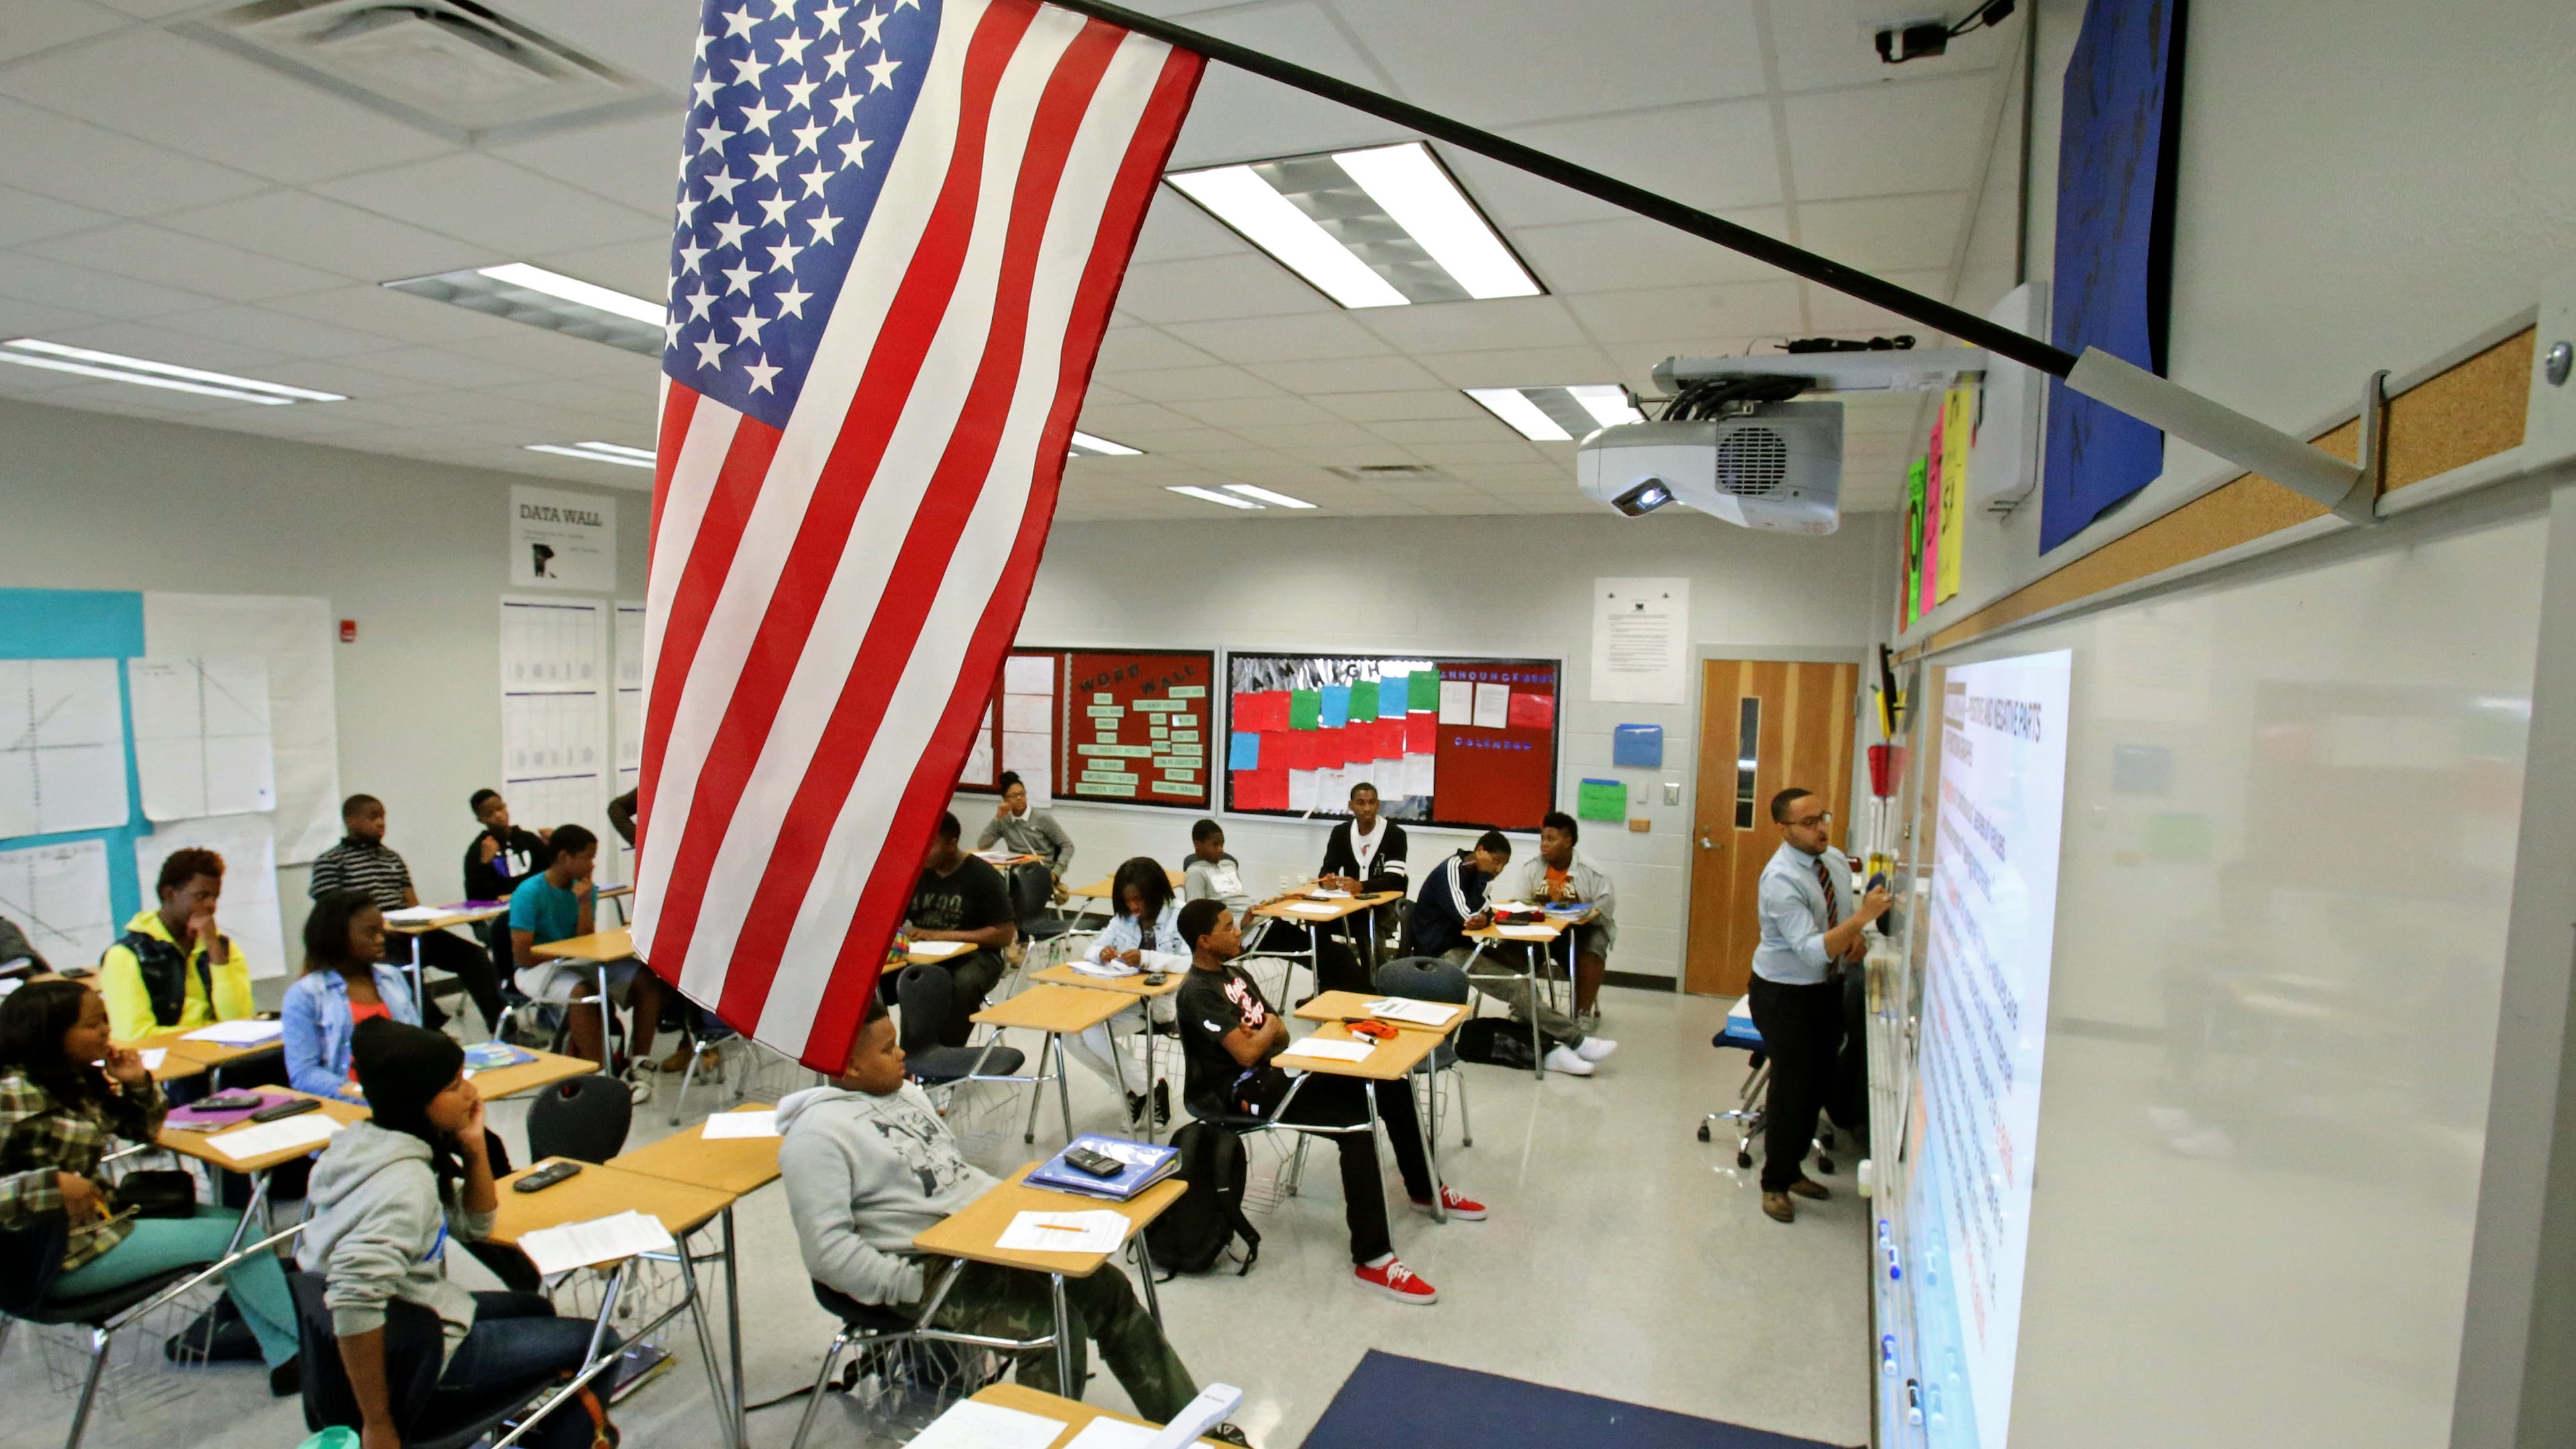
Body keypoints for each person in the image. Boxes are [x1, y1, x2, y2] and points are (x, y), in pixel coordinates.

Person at [777, 998, 1239, 1438]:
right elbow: (828, 1254)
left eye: (896, 1042)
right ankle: (1044, 1437)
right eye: (887, 1050)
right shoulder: (816, 1138)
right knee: (1052, 1326)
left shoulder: (906, 1097)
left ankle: (1191, 1428)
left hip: (988, 1235)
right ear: (849, 1066)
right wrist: (907, 1286)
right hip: (925, 1268)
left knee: (1108, 1291)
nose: (902, 1055)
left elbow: (954, 1174)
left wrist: (1020, 1201)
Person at [302, 1019, 605, 1441]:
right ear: (415, 1100)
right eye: (453, 1086)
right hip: (414, 1359)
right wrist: (378, 1423)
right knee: (601, 1344)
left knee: (531, 1308)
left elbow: (476, 1224)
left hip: (408, 1321)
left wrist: (475, 1145)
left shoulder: (374, 1141)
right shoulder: (404, 1185)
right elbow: (354, 1302)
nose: (471, 1092)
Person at [1171, 898, 1485, 1304]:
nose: (1238, 932)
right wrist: (1265, 1034)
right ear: (1204, 941)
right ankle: (1373, 1258)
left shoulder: (1235, 973)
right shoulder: (1197, 991)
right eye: (1229, 927)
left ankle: (1424, 1188)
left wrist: (1264, 1034)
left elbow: (1280, 1033)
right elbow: (1249, 1053)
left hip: (1274, 1074)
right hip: (1239, 1095)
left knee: (1389, 1084)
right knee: (1355, 1124)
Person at [0, 979, 301, 1391]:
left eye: (105, 1019)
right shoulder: (11, 1092)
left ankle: (293, 1358)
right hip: (49, 1257)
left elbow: (144, 1130)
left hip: (94, 1226)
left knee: (243, 1229)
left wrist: (136, 1082)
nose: (106, 1031)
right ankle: (316, 1352)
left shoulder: (71, 1079)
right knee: (238, 1236)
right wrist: (49, 1186)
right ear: (50, 1034)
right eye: (92, 1024)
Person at [1749, 787, 1890, 1224]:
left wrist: (1857, 940)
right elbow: (1812, 951)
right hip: (1785, 994)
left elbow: (1838, 931)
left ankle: (1793, 1171)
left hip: (1825, 989)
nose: (1821, 829)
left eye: (1822, 817)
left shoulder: (1832, 860)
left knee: (1818, 1083)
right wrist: (1863, 918)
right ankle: (1774, 1184)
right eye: (1808, 823)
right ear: (1784, 829)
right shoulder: (1780, 880)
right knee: (1792, 1088)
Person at [1421, 831, 1617, 1077]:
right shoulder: (1453, 870)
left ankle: (1541, 1042)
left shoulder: (1481, 874)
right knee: (1519, 987)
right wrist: (1483, 884)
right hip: (1442, 955)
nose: (1498, 869)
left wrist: (1485, 914)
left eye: (1503, 864)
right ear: (1480, 851)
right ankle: (1576, 1040)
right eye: (1495, 861)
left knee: (1523, 977)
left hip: (1465, 948)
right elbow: (1469, 916)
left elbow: (1485, 910)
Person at [311, 793, 505, 1036]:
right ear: (351, 821)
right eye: (373, 817)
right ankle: (432, 1034)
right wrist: (380, 927)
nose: (381, 823)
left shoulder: (392, 858)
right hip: (371, 940)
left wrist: (423, 920)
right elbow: (332, 915)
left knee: (473, 955)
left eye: (383, 817)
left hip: (409, 932)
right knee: (402, 971)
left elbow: (411, 902)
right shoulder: (331, 861)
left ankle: (503, 1027)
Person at [508, 824, 665, 1081]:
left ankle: (640, 1059)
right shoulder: (529, 893)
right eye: (587, 858)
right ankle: (600, 1073)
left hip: (577, 960)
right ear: (563, 857)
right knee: (583, 994)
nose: (592, 865)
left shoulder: (585, 890)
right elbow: (523, 956)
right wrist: (563, 952)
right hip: (535, 969)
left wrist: (582, 905)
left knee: (646, 979)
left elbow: (585, 942)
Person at [1062, 857, 1181, 1129]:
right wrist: (1101, 955)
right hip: (1119, 998)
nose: (1134, 907)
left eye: (1138, 899)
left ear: (1155, 893)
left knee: (1092, 1032)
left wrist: (1147, 958)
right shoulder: (1123, 920)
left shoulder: (1178, 915)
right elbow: (1094, 948)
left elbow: (1189, 961)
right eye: (1127, 901)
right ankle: (1142, 1090)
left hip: (1160, 1002)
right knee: (1071, 1035)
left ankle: (1141, 1092)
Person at [1185, 820, 1362, 999]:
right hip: (1248, 933)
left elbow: (1240, 899)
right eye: (1214, 845)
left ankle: (1329, 995)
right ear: (1197, 845)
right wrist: (1241, 923)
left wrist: (1274, 901)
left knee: (1330, 949)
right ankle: (1363, 997)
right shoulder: (1195, 873)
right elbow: (1198, 918)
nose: (1220, 850)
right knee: (1337, 955)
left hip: (1265, 919)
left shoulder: (1228, 865)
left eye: (1222, 844)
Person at [99, 847, 256, 1043]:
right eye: (201, 896)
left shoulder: (222, 948)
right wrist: (209, 1033)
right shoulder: (127, 955)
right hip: (169, 1062)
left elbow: (239, 1021)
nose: (211, 906)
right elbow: (135, 1036)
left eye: (215, 897)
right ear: (169, 894)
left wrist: (214, 950)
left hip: (218, 1055)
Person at [282, 890, 419, 1102]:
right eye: (371, 933)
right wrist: (364, 1095)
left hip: (406, 1097)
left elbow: (418, 1043)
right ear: (338, 937)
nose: (381, 939)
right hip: (350, 1103)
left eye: (381, 931)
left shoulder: (391, 977)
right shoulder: (305, 995)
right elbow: (304, 1074)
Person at [899, 812, 1014, 1047]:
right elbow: (892, 918)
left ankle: (945, 1057)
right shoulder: (916, 873)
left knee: (962, 985)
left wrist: (943, 936)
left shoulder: (983, 877)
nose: (923, 850)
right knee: (875, 981)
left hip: (977, 955)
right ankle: (900, 1055)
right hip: (923, 953)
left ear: (952, 844)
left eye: (932, 844)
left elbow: (1004, 933)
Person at [1497, 811, 1619, 1032]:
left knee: (1595, 947)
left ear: (1568, 841)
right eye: (1543, 839)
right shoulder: (1531, 867)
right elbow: (1519, 903)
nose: (1544, 845)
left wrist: (1585, 915)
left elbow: (1604, 908)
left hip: (1581, 931)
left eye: (1551, 839)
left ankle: (1582, 1012)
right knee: (1511, 948)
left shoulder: (1593, 872)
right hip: (1541, 929)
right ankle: (1526, 1007)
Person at [1317, 781, 1406, 971]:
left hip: (1385, 908)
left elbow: (1396, 880)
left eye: (1372, 803)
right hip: (1350, 906)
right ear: (1351, 806)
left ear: (1378, 804)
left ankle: (1375, 984)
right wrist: (1328, 881)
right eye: (1361, 803)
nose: (1367, 809)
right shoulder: (1341, 833)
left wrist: (1362, 886)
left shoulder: (1395, 834)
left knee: (1365, 923)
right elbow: (1326, 869)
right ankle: (1330, 982)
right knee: (1318, 923)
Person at [977, 772, 1075, 905]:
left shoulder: (1041, 818)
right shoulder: (1004, 820)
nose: (1019, 799)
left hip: (1041, 872)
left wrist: (1056, 873)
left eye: (1022, 794)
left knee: (1011, 894)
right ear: (1005, 799)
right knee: (987, 882)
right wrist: (998, 817)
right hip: (1015, 873)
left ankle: (1017, 921)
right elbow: (983, 844)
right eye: (1014, 796)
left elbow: (1067, 846)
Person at [460, 790, 551, 904]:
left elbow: (549, 875)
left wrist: (553, 847)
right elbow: (474, 899)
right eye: (490, 813)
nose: (498, 816)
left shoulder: (528, 840)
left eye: (500, 808)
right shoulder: (478, 850)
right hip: (501, 914)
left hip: (534, 905)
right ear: (481, 820)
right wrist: (485, 863)